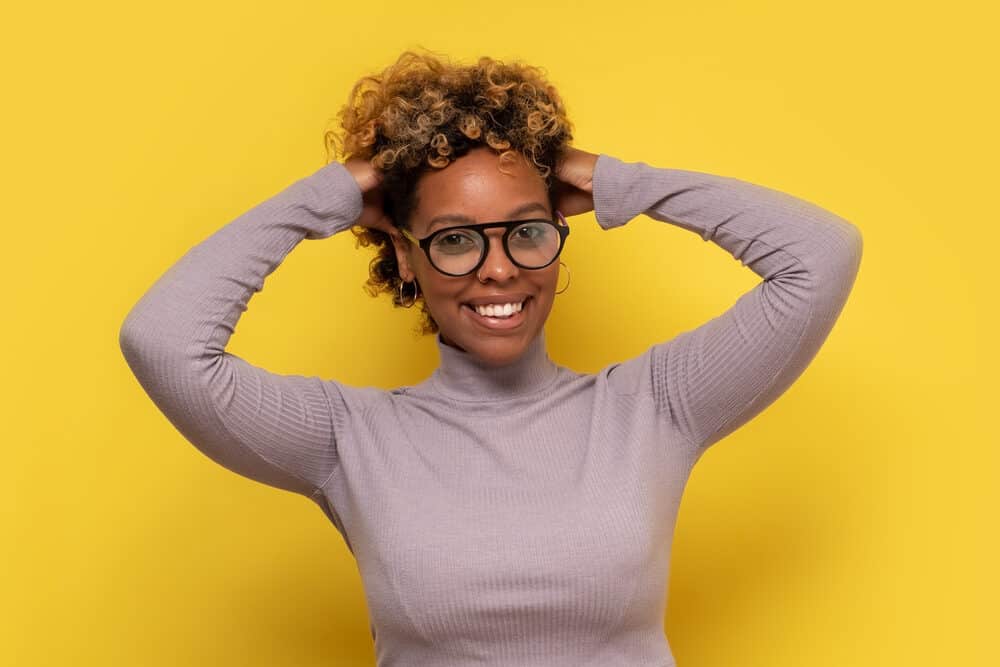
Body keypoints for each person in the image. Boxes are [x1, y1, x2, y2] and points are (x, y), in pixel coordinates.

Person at [118, 50, 863, 667]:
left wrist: (614, 180)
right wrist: (338, 192)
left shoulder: (656, 405)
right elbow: (163, 340)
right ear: (405, 259)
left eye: (525, 231)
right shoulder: (347, 438)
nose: (498, 268)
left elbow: (822, 255)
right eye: (454, 238)